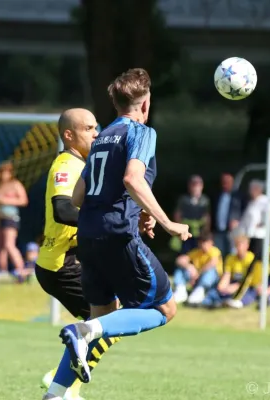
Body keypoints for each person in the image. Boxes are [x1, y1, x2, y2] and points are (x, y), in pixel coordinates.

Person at [42, 68, 191, 400]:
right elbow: (132, 179)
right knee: (165, 309)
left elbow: (78, 197)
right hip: (117, 235)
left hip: (88, 237)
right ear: (145, 103)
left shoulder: (102, 136)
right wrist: (166, 222)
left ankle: (55, 393)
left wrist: (134, 211)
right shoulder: (141, 132)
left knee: (103, 317)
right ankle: (83, 331)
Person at [37, 108, 120, 400]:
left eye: (96, 127)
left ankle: (64, 385)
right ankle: (63, 384)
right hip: (60, 263)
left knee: (106, 322)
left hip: (70, 261)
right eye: (88, 128)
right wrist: (104, 221)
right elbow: (62, 210)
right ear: (69, 135)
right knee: (108, 320)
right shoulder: (66, 164)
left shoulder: (82, 165)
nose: (96, 134)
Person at [226, 240, 270, 309]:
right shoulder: (267, 263)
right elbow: (261, 277)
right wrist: (260, 286)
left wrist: (267, 291)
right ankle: (241, 302)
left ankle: (266, 302)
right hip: (266, 286)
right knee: (254, 291)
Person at [0, 161, 28, 279]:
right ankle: (2, 270)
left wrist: (5, 200)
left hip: (10, 218)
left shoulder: (15, 184)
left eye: (6, 172)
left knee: (9, 244)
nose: (3, 175)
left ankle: (21, 269)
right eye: (1, 172)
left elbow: (23, 201)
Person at [201, 235, 255, 308]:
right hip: (233, 281)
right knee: (217, 290)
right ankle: (208, 302)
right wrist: (222, 285)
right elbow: (227, 274)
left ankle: (234, 302)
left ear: (247, 246)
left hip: (246, 284)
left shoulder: (251, 258)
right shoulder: (230, 258)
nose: (238, 248)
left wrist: (237, 286)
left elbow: (250, 279)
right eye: (237, 245)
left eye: (240, 245)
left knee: (248, 293)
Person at [172, 232, 223, 305]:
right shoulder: (196, 252)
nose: (203, 245)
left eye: (205, 242)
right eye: (201, 242)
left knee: (211, 270)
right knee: (180, 269)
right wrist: (189, 266)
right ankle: (180, 291)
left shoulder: (214, 251)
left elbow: (213, 262)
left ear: (211, 242)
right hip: (197, 278)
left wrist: (198, 273)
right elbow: (179, 260)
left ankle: (200, 291)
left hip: (213, 280)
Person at [235, 180, 270, 259]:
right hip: (249, 235)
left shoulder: (264, 200)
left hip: (258, 236)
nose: (250, 191)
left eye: (252, 189)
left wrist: (263, 223)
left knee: (256, 257)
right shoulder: (252, 202)